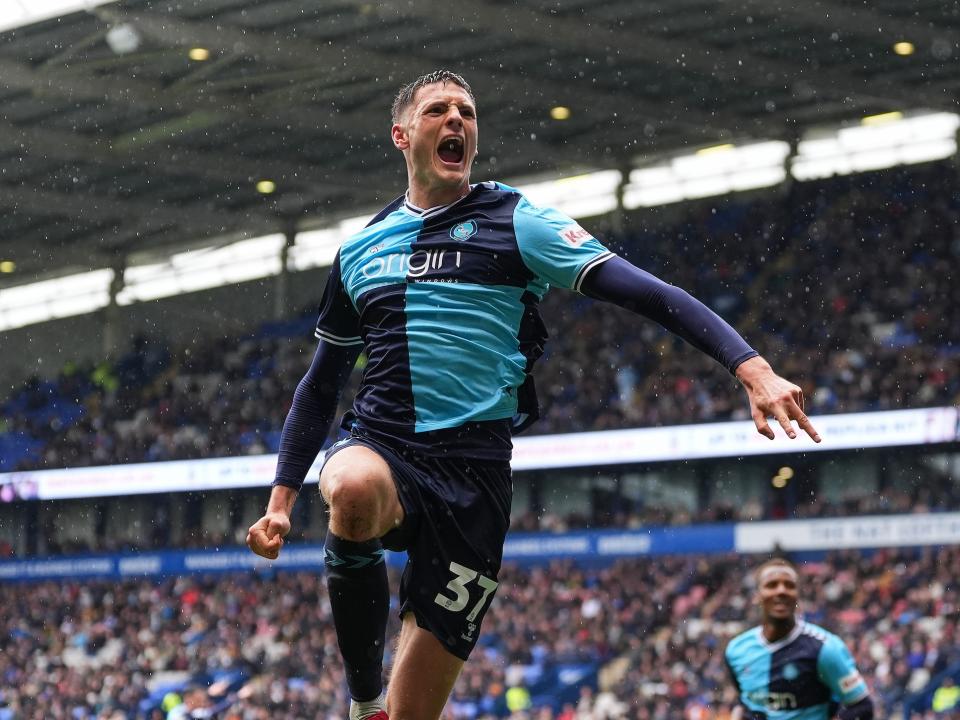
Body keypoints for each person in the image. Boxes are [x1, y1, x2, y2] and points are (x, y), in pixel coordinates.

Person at [246, 69, 821, 720]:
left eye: (467, 111)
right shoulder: (360, 250)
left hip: (475, 476)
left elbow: (649, 293)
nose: (457, 120)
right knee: (348, 489)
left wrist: (750, 366)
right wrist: (281, 501)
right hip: (384, 442)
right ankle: (362, 702)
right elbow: (321, 383)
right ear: (402, 135)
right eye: (439, 110)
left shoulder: (518, 221)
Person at [725, 559, 873, 720]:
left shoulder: (825, 648)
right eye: (771, 585)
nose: (781, 591)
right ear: (756, 596)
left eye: (789, 585)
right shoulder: (736, 650)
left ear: (797, 595)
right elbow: (744, 701)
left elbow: (861, 707)